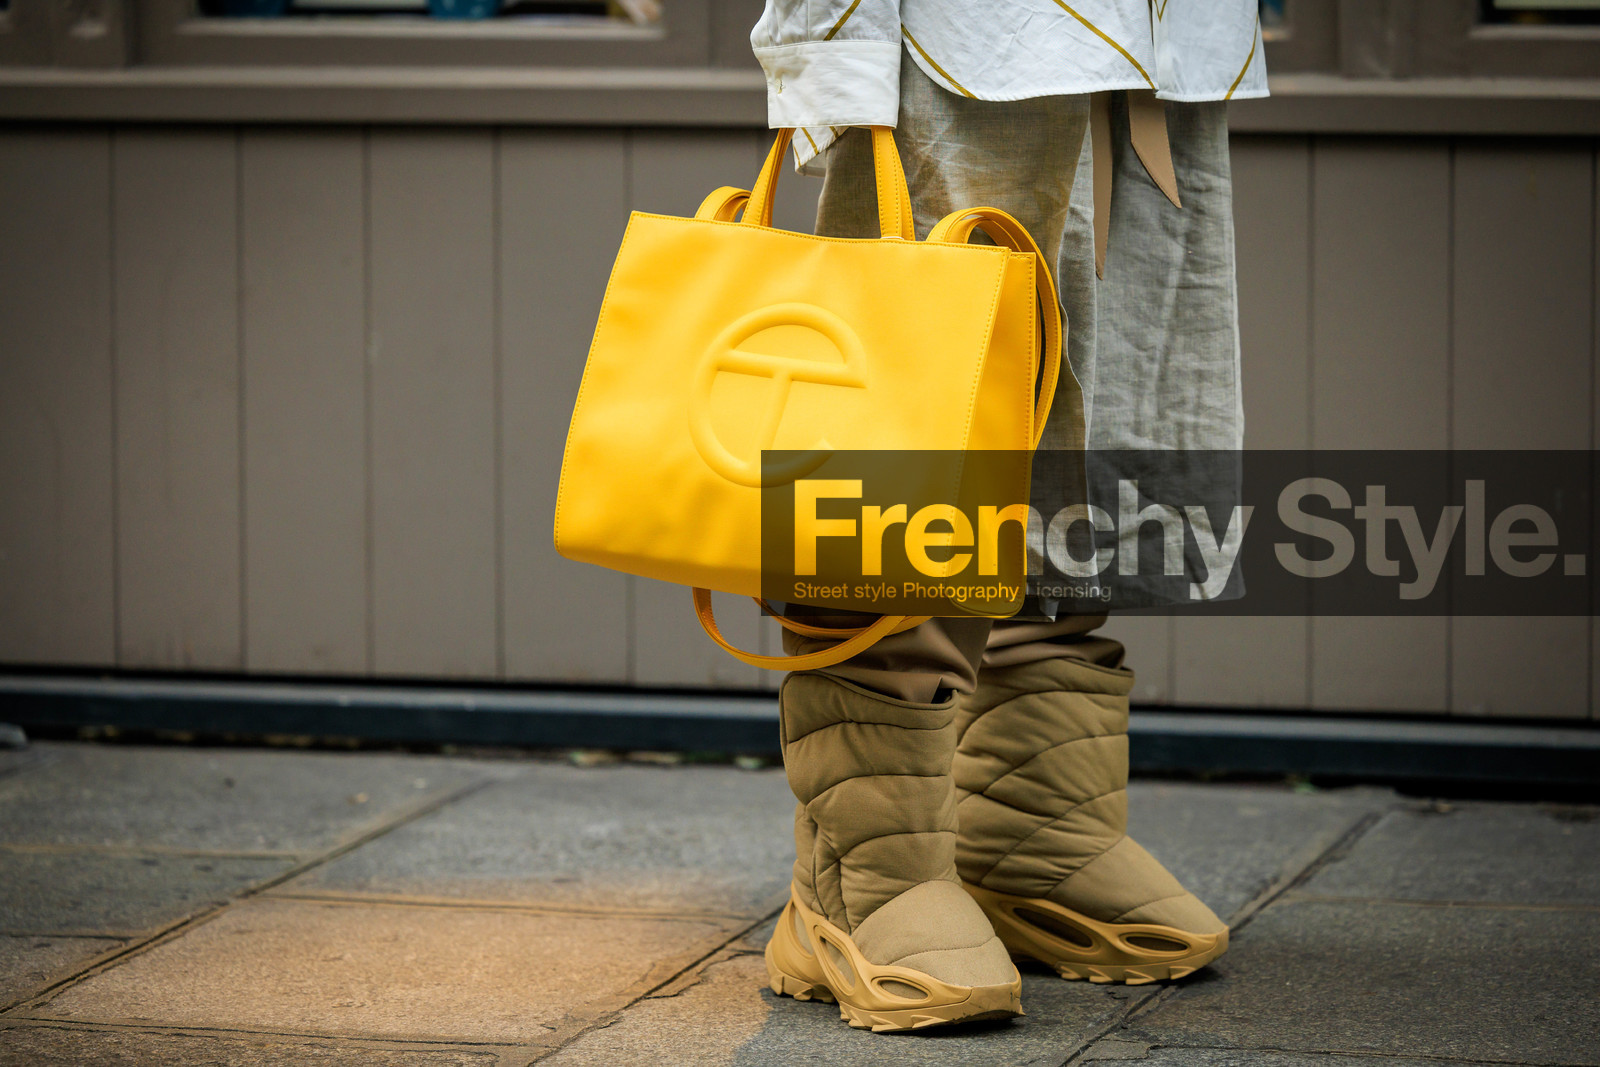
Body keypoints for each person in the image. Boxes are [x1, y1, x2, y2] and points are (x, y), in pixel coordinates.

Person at [749, 0, 1265, 1032]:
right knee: (917, 440)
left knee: (1094, 409)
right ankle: (859, 886)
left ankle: (1033, 836)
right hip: (962, 42)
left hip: (1149, 46)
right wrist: (826, 56)